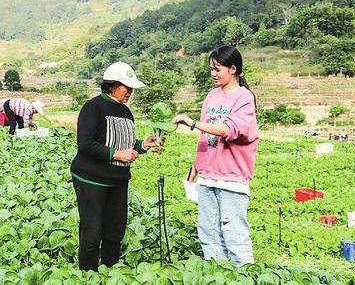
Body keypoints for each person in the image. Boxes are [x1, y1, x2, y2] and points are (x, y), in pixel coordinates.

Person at [172, 46, 259, 267]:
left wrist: (191, 122)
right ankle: (218, 274)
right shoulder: (211, 96)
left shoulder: (244, 98)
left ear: (233, 69)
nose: (213, 73)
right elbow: (205, 135)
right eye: (211, 68)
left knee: (234, 233)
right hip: (208, 176)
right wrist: (196, 167)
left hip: (231, 178)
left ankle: (245, 277)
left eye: (217, 69)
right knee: (208, 232)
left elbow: (228, 130)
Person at [70, 61, 161, 271]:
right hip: (91, 179)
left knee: (114, 232)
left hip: (118, 181)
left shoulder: (126, 113)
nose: (129, 92)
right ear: (112, 85)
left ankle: (110, 274)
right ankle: (88, 275)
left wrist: (143, 145)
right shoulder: (93, 107)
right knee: (92, 235)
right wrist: (116, 154)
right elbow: (85, 143)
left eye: (131, 89)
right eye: (126, 87)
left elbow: (127, 143)